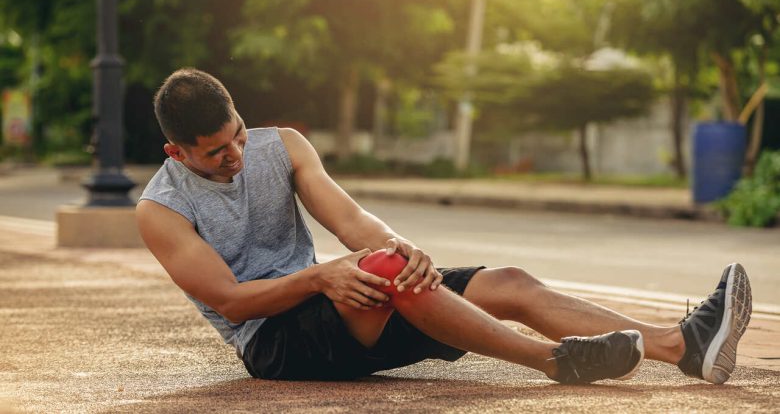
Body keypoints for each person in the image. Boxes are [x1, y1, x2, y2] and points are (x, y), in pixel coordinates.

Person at [137, 68, 752, 385]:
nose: (237, 154)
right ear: (177, 153)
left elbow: (351, 220)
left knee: (504, 281)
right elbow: (231, 303)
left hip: (351, 303)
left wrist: (405, 250)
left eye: (239, 133)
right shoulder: (160, 209)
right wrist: (323, 278)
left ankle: (683, 347)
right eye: (217, 151)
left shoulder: (284, 146)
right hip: (276, 343)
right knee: (377, 272)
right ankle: (556, 361)